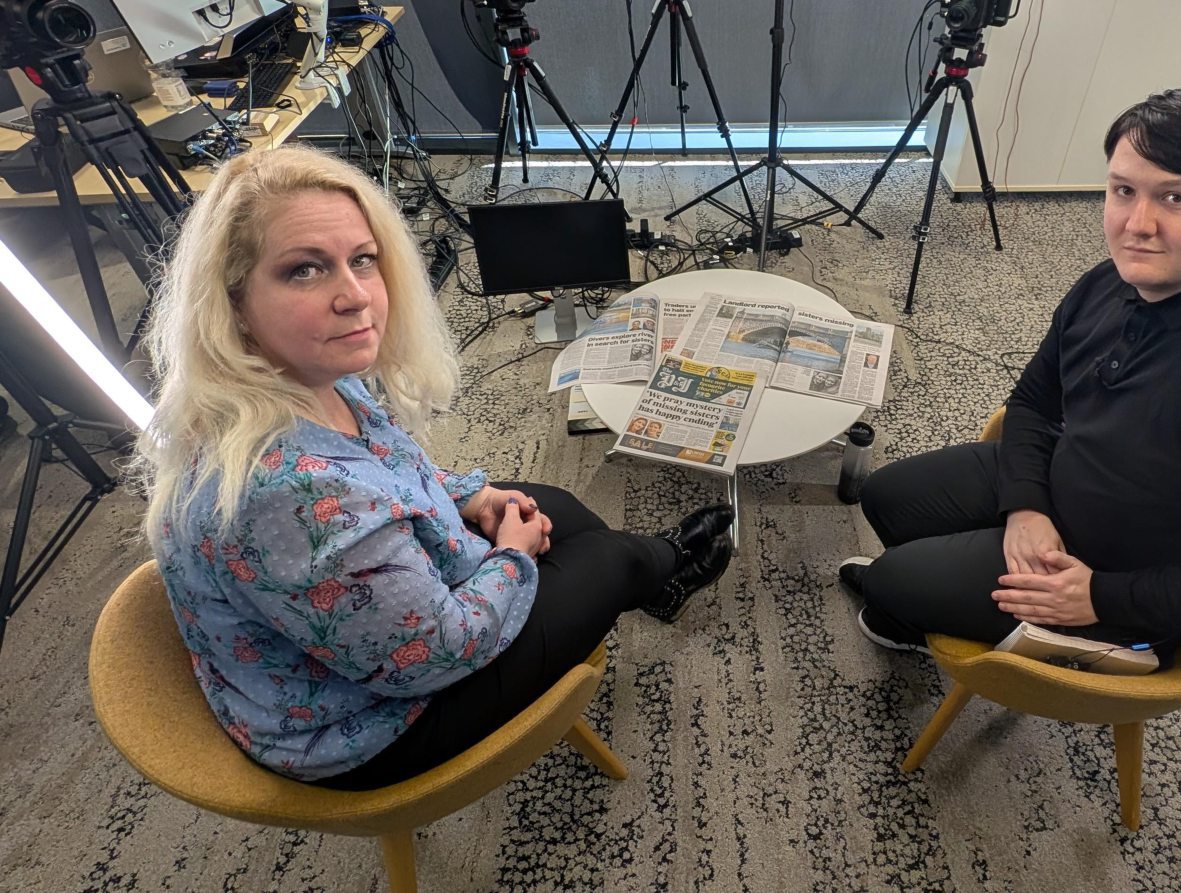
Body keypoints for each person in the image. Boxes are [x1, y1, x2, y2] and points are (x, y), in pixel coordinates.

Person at [133, 145, 734, 790]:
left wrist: (472, 500)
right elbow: (435, 655)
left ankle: (651, 579)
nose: (356, 295)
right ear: (233, 302)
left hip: (370, 645)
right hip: (373, 726)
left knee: (556, 503)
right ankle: (661, 567)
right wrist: (514, 559)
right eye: (305, 270)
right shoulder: (286, 491)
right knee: (612, 561)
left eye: (363, 260)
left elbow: (383, 471)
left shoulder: (305, 376)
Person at [842, 88, 1181, 660]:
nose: (1137, 224)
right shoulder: (1108, 282)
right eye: (1123, 190)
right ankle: (921, 597)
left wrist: (1101, 597)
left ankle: (905, 604)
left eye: (1175, 198)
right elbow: (1033, 401)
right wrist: (1026, 508)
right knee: (884, 497)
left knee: (890, 582)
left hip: (1119, 578)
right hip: (1066, 482)